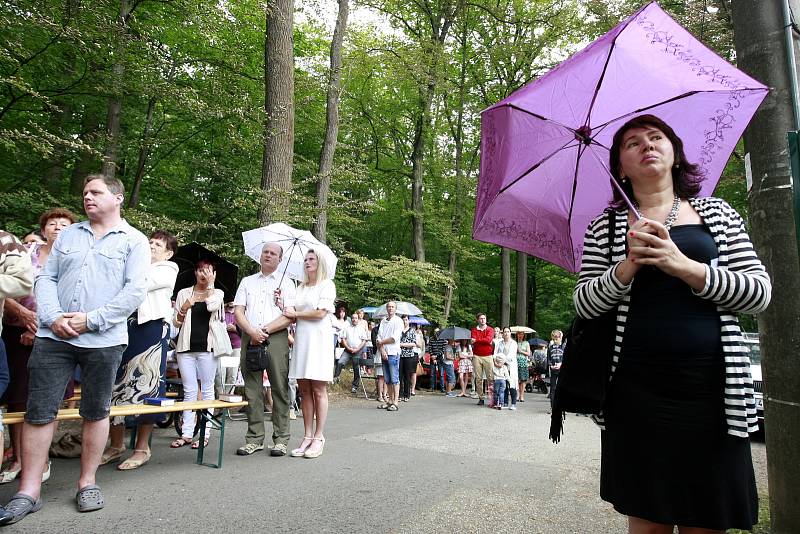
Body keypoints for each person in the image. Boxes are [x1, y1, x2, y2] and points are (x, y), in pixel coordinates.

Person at [575, 114, 771, 533]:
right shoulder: (605, 227)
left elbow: (758, 293)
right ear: (620, 167)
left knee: (708, 517)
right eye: (631, 143)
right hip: (635, 391)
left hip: (713, 392)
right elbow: (585, 304)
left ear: (675, 154)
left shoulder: (716, 213)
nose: (645, 145)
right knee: (647, 518)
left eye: (655, 137)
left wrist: (683, 265)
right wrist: (626, 267)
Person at [0, 175, 150, 525]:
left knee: (96, 411)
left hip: (104, 339)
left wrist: (91, 320)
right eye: (84, 192)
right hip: (54, 338)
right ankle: (29, 490)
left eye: (96, 192)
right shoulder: (68, 235)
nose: (87, 197)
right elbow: (45, 278)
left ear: (118, 198)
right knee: (39, 411)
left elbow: (134, 291)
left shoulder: (134, 241)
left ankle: (87, 483)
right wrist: (52, 318)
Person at [1, 208, 77, 484]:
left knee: (49, 399)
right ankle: (19, 459)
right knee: (17, 398)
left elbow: (75, 299)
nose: (57, 227)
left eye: (64, 224)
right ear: (43, 229)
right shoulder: (25, 251)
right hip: (14, 330)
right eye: (52, 223)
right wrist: (22, 317)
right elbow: (6, 287)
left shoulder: (77, 259)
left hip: (55, 334)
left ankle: (40, 459)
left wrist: (40, 328)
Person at [103, 230, 178, 469]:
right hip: (124, 327)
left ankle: (142, 447)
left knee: (149, 383)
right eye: (150, 242)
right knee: (116, 383)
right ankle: (116, 445)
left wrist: (130, 271)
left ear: (168, 253)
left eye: (158, 244)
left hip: (152, 328)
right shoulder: (133, 265)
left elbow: (145, 284)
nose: (152, 246)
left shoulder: (168, 268)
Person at [233, 242, 296, 457]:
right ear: (260, 256)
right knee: (252, 388)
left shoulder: (286, 283)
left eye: (273, 253)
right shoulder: (247, 282)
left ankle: (280, 438)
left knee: (279, 386)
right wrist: (252, 331)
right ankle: (254, 437)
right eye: (265, 252)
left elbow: (290, 315)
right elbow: (239, 310)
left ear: (280, 259)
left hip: (276, 337)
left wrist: (265, 330)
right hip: (249, 337)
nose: (268, 255)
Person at [171, 260, 229, 450]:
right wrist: (185, 307)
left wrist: (211, 285)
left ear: (213, 273)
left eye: (208, 271)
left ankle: (205, 432)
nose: (203, 274)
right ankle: (187, 433)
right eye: (200, 270)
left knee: (207, 390)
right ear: (195, 272)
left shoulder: (218, 293)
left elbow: (212, 307)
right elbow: (176, 323)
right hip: (185, 348)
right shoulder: (183, 293)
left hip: (208, 348)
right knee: (188, 390)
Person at [283, 250, 335, 458]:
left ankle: (319, 436)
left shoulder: (327, 284)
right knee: (304, 389)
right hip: (302, 340)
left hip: (319, 339)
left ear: (319, 262)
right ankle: (307, 435)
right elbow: (292, 314)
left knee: (318, 388)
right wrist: (282, 303)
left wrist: (296, 313)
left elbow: (321, 312)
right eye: (305, 259)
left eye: (311, 259)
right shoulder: (300, 287)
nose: (307, 262)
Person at [0, 228, 33, 518]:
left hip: (14, 336)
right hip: (8, 334)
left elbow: (23, 282)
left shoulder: (5, 241)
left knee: (14, 401)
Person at [375, 301, 403, 411]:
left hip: (393, 353)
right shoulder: (383, 321)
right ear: (386, 309)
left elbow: (394, 338)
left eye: (392, 307)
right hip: (384, 353)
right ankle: (390, 400)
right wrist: (382, 349)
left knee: (395, 378)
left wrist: (381, 342)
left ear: (395, 309)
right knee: (387, 379)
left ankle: (395, 402)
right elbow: (378, 337)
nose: (390, 308)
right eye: (389, 307)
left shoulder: (398, 321)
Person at [335, 312, 366, 393]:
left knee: (356, 369)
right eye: (353, 318)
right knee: (340, 362)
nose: (354, 320)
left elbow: (364, 341)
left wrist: (358, 349)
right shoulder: (347, 328)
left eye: (356, 318)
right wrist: (348, 348)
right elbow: (343, 339)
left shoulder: (361, 329)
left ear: (358, 319)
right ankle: (335, 379)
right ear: (351, 319)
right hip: (347, 350)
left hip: (357, 351)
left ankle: (355, 386)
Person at [470, 313, 494, 405]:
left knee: (490, 377)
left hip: (488, 355)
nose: (483, 320)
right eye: (481, 318)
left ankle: (492, 398)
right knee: (478, 378)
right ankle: (481, 397)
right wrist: (479, 340)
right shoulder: (474, 330)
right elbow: (474, 341)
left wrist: (477, 340)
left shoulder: (490, 329)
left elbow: (488, 340)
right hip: (477, 356)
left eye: (484, 318)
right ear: (478, 320)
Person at [494, 327, 518, 410]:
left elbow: (511, 355)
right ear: (502, 333)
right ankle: (505, 402)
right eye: (504, 332)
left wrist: (502, 361)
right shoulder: (499, 343)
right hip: (501, 367)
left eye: (508, 332)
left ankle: (514, 403)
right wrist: (496, 362)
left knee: (512, 384)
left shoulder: (514, 343)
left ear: (510, 333)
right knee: (503, 385)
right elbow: (495, 353)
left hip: (510, 366)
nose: (506, 333)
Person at [398, 315, 418, 401]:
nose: (404, 321)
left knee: (407, 375)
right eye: (403, 320)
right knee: (399, 376)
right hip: (399, 355)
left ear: (408, 321)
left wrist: (402, 345)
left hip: (409, 355)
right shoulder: (398, 330)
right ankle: (400, 394)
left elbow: (414, 344)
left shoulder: (412, 331)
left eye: (406, 320)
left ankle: (407, 394)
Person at [546, 330, 565, 409]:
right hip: (553, 371)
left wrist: (561, 364)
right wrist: (551, 365)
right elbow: (548, 359)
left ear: (560, 338)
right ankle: (553, 407)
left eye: (557, 338)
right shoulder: (550, 348)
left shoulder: (564, 347)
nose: (555, 340)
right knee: (553, 389)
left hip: (562, 371)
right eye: (553, 339)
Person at [369, 320, 385, 400]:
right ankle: (380, 395)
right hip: (378, 354)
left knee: (386, 376)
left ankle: (385, 394)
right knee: (380, 376)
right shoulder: (375, 330)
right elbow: (375, 343)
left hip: (388, 354)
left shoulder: (388, 329)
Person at [515, 331, 531, 402]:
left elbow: (528, 353)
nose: (520, 335)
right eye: (518, 334)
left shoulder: (526, 343)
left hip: (523, 362)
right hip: (516, 362)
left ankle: (522, 396)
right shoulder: (515, 343)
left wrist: (520, 351)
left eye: (521, 334)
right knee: (517, 379)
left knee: (523, 379)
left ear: (524, 335)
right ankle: (518, 395)